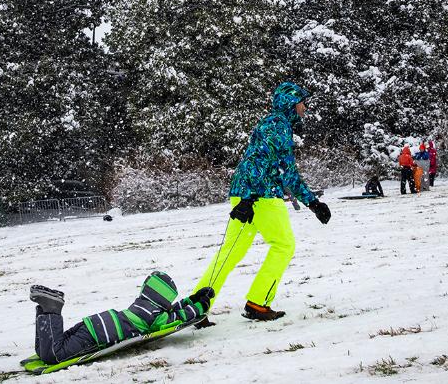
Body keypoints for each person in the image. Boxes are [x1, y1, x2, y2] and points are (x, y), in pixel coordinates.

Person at [194, 82, 330, 323]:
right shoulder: (278, 126)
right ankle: (258, 302)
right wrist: (250, 197)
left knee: (230, 253)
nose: (305, 107)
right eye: (302, 102)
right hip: (261, 195)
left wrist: (312, 203)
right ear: (290, 103)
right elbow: (260, 162)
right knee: (284, 245)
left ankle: (197, 306)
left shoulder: (272, 123)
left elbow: (284, 171)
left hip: (246, 192)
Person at [27, 273, 212, 366]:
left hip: (95, 322)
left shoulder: (142, 305)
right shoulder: (156, 317)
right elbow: (178, 317)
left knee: (45, 350)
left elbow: (174, 311)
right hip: (98, 336)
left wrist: (193, 298)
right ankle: (51, 308)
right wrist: (200, 306)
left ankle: (45, 308)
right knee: (54, 356)